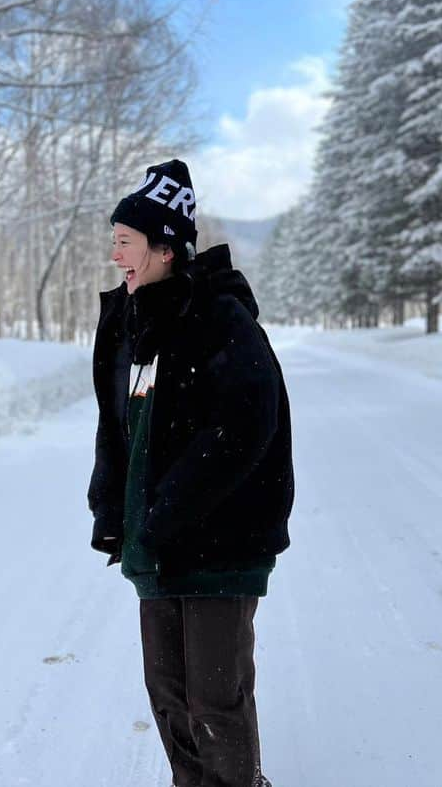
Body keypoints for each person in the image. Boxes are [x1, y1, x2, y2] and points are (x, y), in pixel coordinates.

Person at [87, 158, 294, 787]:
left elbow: (243, 428)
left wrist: (167, 510)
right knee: (169, 691)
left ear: (166, 247)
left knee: (214, 697)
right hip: (158, 540)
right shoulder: (130, 320)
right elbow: (116, 424)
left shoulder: (219, 319)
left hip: (221, 541)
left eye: (124, 241)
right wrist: (111, 510)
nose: (114, 253)